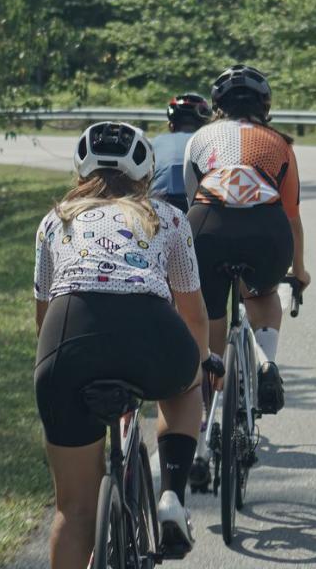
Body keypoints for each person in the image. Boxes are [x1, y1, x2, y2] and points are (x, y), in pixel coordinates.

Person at [33, 122, 215, 567]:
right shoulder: (168, 218)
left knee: (74, 512)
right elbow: (193, 317)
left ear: (80, 170)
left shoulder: (55, 221)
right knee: (189, 380)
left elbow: (43, 321)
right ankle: (171, 492)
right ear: (145, 172)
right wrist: (206, 361)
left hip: (68, 339)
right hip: (151, 334)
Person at [183, 64, 311, 415]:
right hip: (266, 231)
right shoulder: (280, 144)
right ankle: (267, 361)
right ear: (265, 106)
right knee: (264, 293)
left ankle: (211, 406)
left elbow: (192, 199)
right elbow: (292, 217)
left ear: (217, 105)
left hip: (208, 224)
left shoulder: (198, 139)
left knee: (210, 309)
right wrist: (298, 271)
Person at [151, 93, 212, 212]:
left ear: (171, 125)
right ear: (204, 125)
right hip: (199, 207)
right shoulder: (211, 141)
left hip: (159, 205)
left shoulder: (155, 142)